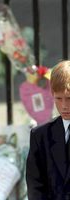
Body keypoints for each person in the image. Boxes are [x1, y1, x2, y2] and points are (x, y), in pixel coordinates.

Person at [26, 60, 70, 200]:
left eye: (69, 99)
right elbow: (35, 186)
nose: (64, 106)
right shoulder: (40, 136)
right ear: (52, 94)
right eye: (59, 98)